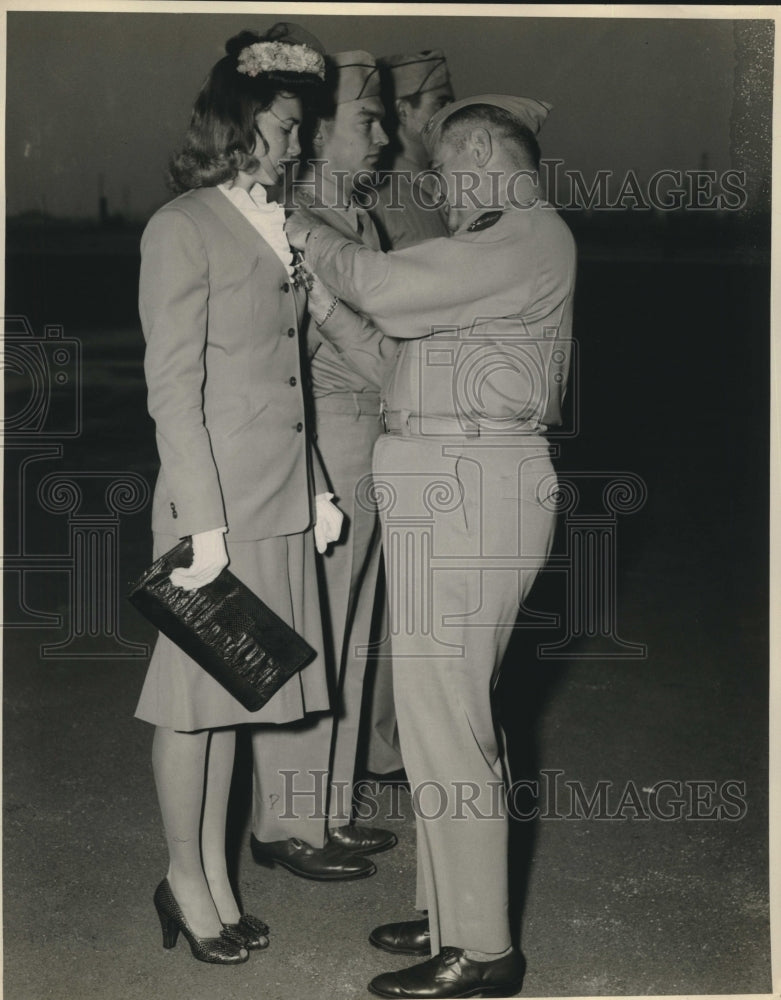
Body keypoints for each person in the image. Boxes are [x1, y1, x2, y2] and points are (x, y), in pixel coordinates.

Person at [287, 94, 574, 998]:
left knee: (448, 723)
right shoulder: (492, 255)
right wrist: (326, 302)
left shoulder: (523, 233)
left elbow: (385, 288)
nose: (442, 197)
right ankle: (454, 908)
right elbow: (389, 358)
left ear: (485, 152)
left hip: (473, 489)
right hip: (449, 484)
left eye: (448, 175)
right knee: (439, 718)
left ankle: (483, 950)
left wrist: (298, 228)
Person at [134, 23, 345, 965]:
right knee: (190, 705)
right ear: (240, 123)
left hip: (275, 501)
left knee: (233, 702)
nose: (298, 144)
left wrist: (321, 488)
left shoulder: (275, 223)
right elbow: (172, 387)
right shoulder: (181, 227)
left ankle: (213, 879)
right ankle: (186, 879)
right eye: (287, 127)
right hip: (211, 511)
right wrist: (204, 524)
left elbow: (291, 381)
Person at [265, 49, 398, 862]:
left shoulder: (359, 220)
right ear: (313, 133)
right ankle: (285, 823)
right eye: (366, 118)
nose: (382, 135)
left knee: (351, 635)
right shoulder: (296, 226)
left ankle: (330, 805)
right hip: (326, 448)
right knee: (308, 633)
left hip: (371, 445)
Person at [363, 49, 455, 784]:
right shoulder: (390, 190)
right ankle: (377, 747)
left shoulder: (431, 186)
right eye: (437, 101)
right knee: (389, 590)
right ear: (400, 114)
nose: (446, 115)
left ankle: (385, 745)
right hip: (394, 409)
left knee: (410, 590)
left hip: (432, 408)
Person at [371, 49, 454, 252]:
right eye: (441, 104)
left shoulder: (449, 184)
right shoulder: (380, 197)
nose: (451, 115)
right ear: (403, 111)